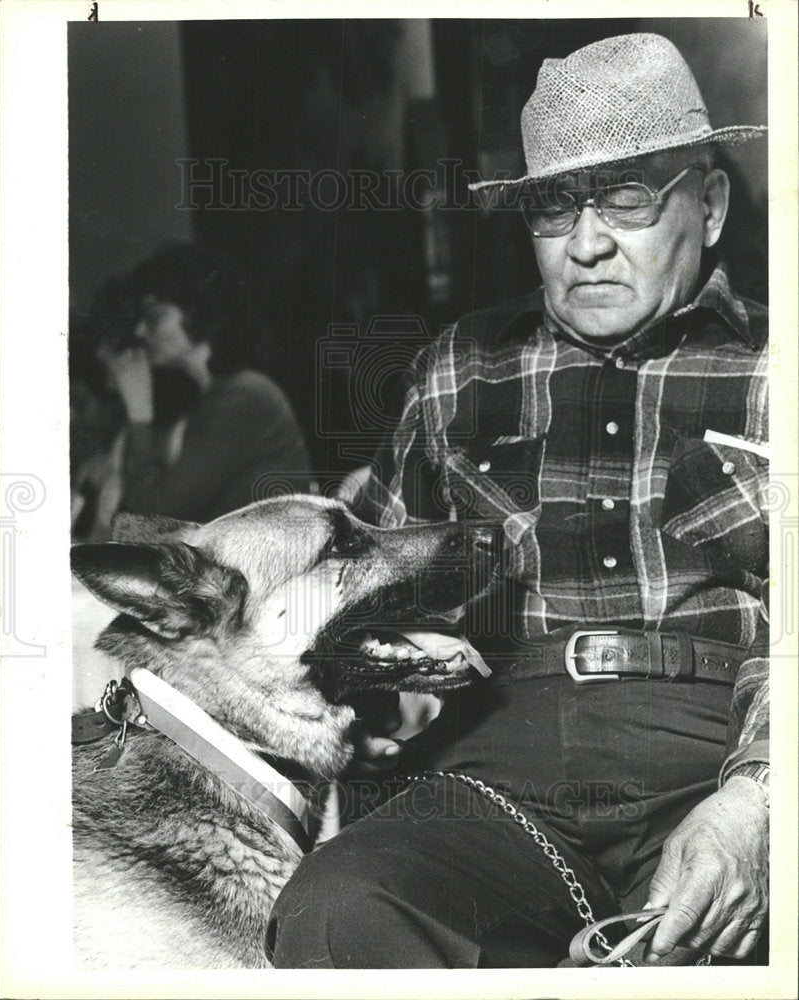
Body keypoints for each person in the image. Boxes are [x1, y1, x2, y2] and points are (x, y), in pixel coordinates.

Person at [265, 33, 769, 968]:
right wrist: (383, 681)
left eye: (628, 199)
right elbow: (347, 591)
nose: (586, 244)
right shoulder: (460, 367)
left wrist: (761, 804)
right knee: (337, 909)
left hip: (730, 746)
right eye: (551, 209)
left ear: (710, 205)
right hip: (496, 772)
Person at [93, 243, 313, 523]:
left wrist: (139, 410)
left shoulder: (244, 395)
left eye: (155, 317)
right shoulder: (219, 394)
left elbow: (152, 516)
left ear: (200, 312)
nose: (140, 331)